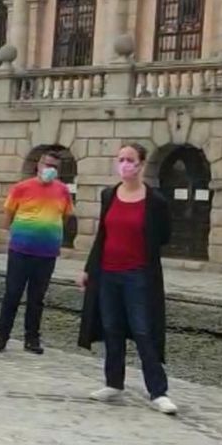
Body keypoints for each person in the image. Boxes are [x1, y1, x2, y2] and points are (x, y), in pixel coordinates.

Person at [78, 143, 177, 414]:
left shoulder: (155, 200)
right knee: (112, 327)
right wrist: (89, 268)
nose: (124, 164)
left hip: (139, 274)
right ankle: (114, 382)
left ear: (141, 164)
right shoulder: (109, 194)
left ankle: (158, 391)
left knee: (144, 330)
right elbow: (102, 234)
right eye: (120, 159)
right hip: (108, 273)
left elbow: (164, 235)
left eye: (130, 159)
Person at [0, 152, 73, 355]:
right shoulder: (22, 187)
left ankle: (32, 338)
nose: (50, 169)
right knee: (12, 293)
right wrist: (18, 234)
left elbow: (65, 216)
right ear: (38, 165)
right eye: (48, 164)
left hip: (46, 254)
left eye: (55, 166)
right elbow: (8, 213)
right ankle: (2, 335)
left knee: (37, 298)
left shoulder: (62, 190)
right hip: (20, 251)